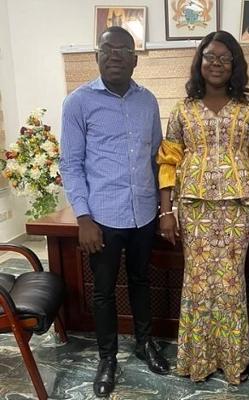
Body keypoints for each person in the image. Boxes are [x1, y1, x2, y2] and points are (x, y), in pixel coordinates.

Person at [60, 26, 170, 398]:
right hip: (102, 218)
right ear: (97, 56)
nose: (115, 56)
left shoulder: (148, 101)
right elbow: (71, 164)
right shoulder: (78, 103)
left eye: (123, 50)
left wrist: (164, 208)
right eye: (107, 49)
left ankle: (144, 343)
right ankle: (107, 358)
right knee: (104, 292)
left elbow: (157, 158)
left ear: (135, 59)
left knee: (141, 281)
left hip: (144, 213)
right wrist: (83, 218)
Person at [156, 30, 249, 385]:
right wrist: (166, 212)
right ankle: (197, 360)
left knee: (231, 283)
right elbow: (168, 162)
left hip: (237, 207)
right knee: (198, 283)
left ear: (235, 64)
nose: (216, 63)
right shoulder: (183, 109)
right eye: (210, 57)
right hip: (195, 208)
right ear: (199, 61)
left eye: (224, 58)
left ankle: (233, 361)